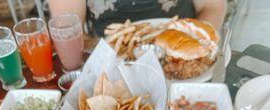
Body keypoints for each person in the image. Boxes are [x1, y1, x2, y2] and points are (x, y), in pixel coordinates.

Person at [48, 0, 227, 36]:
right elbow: (67, 28)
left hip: (181, 48)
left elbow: (211, 6)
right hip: (109, 60)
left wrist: (197, 42)